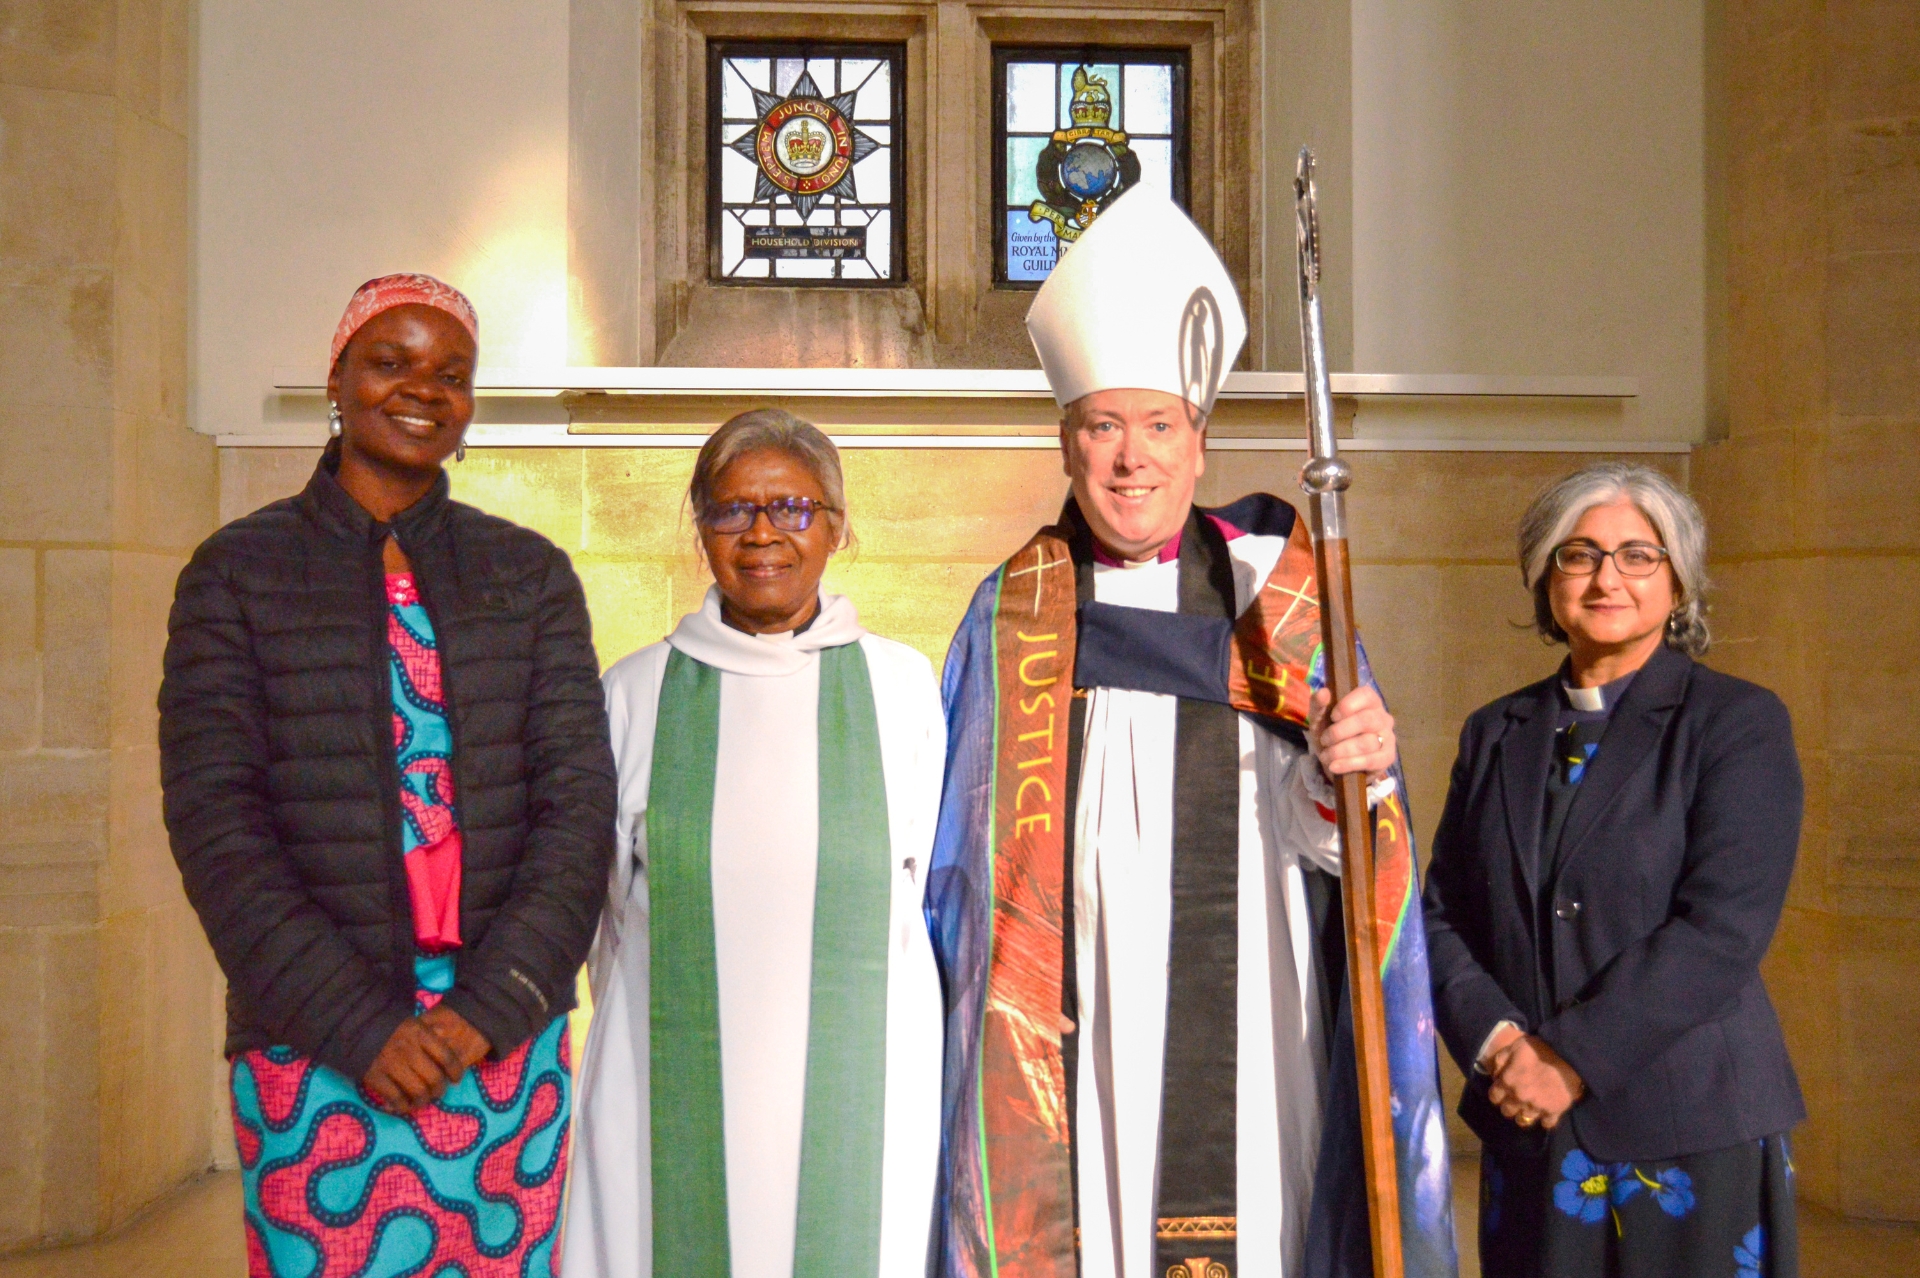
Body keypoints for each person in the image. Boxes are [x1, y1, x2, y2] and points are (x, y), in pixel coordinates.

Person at [927, 188, 1456, 1278]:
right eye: (1104, 428)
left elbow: (1350, 851)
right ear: (1068, 443)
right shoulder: (1013, 609)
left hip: (1254, 1012)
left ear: (1200, 444)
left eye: (1158, 426)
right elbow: (961, 857)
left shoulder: (1288, 595)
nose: (1132, 460)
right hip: (1077, 1017)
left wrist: (1356, 774)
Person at [160, 274, 617, 1277]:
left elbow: (579, 811)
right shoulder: (238, 573)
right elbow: (215, 823)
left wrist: (491, 1007)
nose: (422, 387)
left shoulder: (528, 575)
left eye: (451, 374)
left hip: (497, 1042)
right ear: (338, 379)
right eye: (391, 360)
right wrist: (360, 1026)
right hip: (317, 1039)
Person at [562, 410, 946, 1278]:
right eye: (732, 511)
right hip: (667, 1081)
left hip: (865, 1084)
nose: (763, 532)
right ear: (700, 533)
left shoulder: (900, 687)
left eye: (793, 508)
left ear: (837, 528)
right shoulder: (634, 692)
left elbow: (927, 886)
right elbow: (605, 916)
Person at [1422, 462, 1804, 1277]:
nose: (1607, 579)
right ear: (1544, 575)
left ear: (1679, 581)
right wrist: (1503, 1048)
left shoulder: (1737, 722)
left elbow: (1722, 929)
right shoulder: (1496, 731)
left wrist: (1567, 1060)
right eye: (1579, 554)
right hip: (1527, 1118)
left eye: (1638, 556)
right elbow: (1442, 914)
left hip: (1687, 1123)